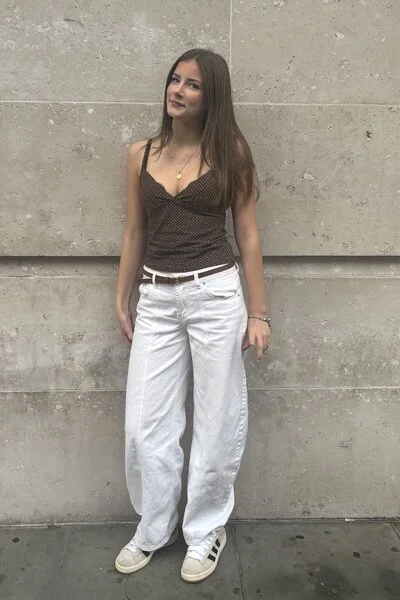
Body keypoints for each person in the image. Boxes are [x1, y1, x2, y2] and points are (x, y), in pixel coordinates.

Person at [114, 48, 270, 583]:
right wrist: (123, 296)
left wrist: (260, 313)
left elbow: (247, 233)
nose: (177, 90)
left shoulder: (231, 152)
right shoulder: (140, 154)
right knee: (144, 426)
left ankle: (205, 531)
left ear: (212, 97)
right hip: (157, 298)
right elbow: (134, 231)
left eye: (193, 85)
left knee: (216, 420)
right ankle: (154, 526)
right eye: (174, 80)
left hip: (216, 296)